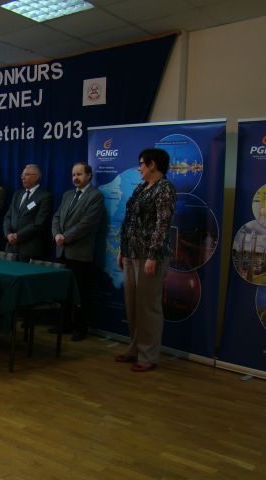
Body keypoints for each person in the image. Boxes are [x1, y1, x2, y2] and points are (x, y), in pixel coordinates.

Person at [117, 148, 176, 372]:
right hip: (131, 253)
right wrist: (122, 249)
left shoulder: (165, 188)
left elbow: (162, 224)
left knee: (148, 306)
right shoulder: (141, 188)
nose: (139, 167)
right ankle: (134, 349)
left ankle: (148, 356)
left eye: (142, 163)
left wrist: (152, 255)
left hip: (150, 256)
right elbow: (129, 220)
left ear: (153, 165)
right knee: (132, 304)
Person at [52, 162, 105, 341]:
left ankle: (80, 328)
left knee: (81, 292)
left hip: (80, 253)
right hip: (62, 251)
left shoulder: (95, 196)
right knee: (63, 290)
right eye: (73, 174)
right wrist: (57, 234)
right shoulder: (68, 194)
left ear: (89, 175)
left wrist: (65, 237)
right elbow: (56, 217)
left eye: (79, 174)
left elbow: (87, 224)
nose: (75, 178)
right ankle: (64, 324)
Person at [3, 164, 52, 262]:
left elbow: (39, 223)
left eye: (26, 175)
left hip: (30, 249)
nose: (22, 177)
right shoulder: (17, 194)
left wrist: (18, 236)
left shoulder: (45, 196)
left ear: (36, 177)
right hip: (11, 247)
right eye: (22, 175)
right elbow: (8, 217)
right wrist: (8, 234)